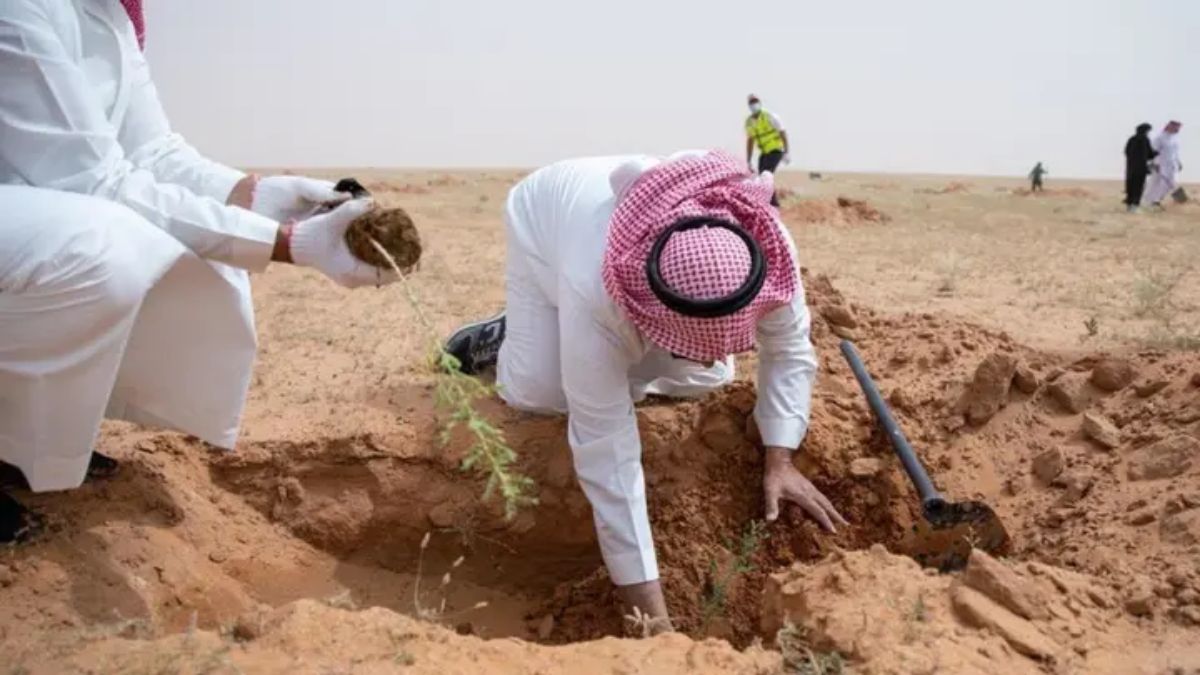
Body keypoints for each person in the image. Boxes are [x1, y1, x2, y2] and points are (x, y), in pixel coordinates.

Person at [0, 0, 396, 542]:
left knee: (193, 248)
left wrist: (262, 194)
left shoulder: (112, 14)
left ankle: (18, 444)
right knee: (102, 248)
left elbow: (155, 151)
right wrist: (288, 244)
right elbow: (94, 181)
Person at [443, 150, 845, 631]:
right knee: (544, 392)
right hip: (547, 224)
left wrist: (781, 458)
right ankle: (510, 336)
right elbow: (605, 450)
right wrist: (650, 618)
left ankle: (594, 358)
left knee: (707, 377)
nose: (712, 353)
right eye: (696, 342)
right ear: (646, 308)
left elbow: (791, 350)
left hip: (636, 249)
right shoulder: (595, 286)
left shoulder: (764, 246)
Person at [744, 94, 790, 206]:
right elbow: (750, 141)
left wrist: (786, 151)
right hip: (764, 152)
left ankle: (773, 203)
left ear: (759, 102)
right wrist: (749, 160)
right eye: (751, 102)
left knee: (767, 174)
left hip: (775, 150)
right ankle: (770, 201)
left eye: (755, 101)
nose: (754, 104)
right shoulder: (749, 122)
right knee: (761, 176)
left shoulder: (769, 116)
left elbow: (782, 132)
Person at [1144, 121, 1183, 209]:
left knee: (1171, 183)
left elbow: (1175, 152)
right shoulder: (1159, 137)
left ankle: (1157, 200)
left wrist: (1178, 162)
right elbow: (1153, 152)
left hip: (1172, 165)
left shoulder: (1175, 138)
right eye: (1176, 126)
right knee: (1155, 183)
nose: (1178, 129)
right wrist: (1155, 163)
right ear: (1170, 126)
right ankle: (1150, 202)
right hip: (1160, 164)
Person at [1124, 123, 1158, 212]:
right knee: (1138, 187)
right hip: (1140, 168)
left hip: (1130, 167)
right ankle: (1134, 206)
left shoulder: (1131, 139)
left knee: (1130, 185)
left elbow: (1126, 152)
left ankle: (1129, 205)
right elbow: (1148, 154)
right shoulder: (1144, 139)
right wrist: (1156, 153)